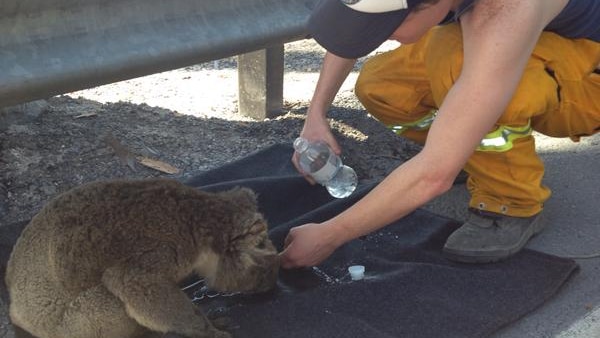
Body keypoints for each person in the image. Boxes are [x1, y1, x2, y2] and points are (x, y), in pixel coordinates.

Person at [280, 0, 600, 267]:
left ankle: (512, 203)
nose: (381, 37)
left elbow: (434, 175)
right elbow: (354, 24)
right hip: (535, 37)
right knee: (383, 85)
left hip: (588, 76)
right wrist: (316, 114)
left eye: (386, 28)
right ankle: (471, 152)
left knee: (453, 57)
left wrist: (329, 235)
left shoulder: (502, 11)